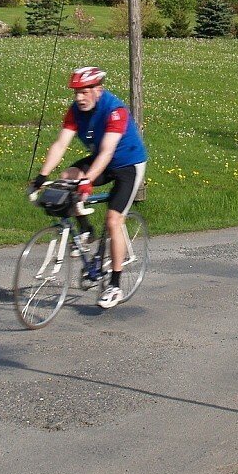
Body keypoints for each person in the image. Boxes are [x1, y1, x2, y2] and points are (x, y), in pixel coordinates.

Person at [30, 66, 147, 309]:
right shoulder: (75, 111)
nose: (79, 98)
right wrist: (41, 177)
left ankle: (114, 285)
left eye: (84, 92)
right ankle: (86, 231)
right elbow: (61, 144)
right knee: (67, 177)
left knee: (114, 220)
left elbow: (107, 151)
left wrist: (87, 181)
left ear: (98, 89)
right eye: (76, 93)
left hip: (127, 164)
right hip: (101, 161)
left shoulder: (115, 111)